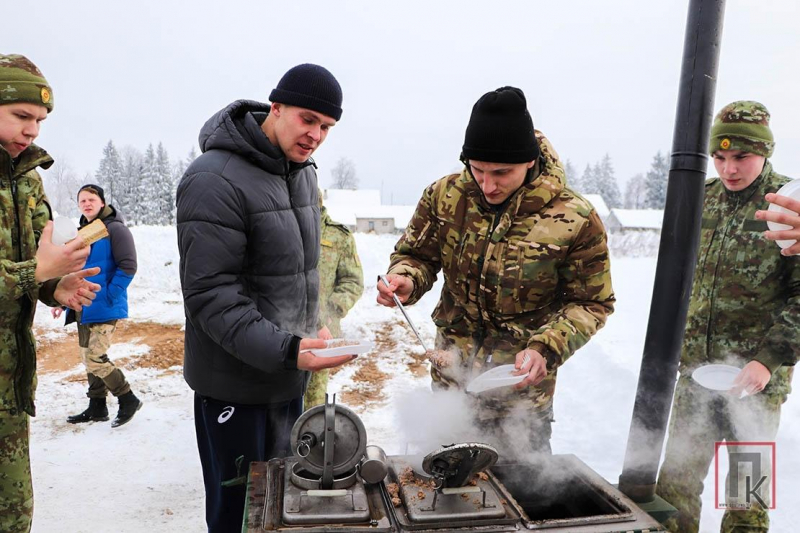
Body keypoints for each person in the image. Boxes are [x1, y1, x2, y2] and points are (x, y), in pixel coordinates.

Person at [376, 86, 615, 457]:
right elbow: (416, 254)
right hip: (451, 391)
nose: (488, 185)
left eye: (501, 172)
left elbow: (591, 302)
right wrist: (406, 278)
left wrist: (546, 347)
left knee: (521, 501)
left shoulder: (574, 218)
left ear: (529, 161)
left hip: (521, 402)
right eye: (478, 170)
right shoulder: (444, 197)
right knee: (446, 496)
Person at [176, 63, 357, 533]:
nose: (316, 135)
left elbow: (295, 272)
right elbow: (211, 295)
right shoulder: (214, 179)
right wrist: (287, 348)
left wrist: (308, 326)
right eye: (307, 119)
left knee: (281, 508)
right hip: (234, 385)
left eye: (326, 126)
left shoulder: (301, 173)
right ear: (275, 108)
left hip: (285, 378)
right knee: (238, 514)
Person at [656, 101, 799, 533]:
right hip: (697, 373)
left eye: (741, 157)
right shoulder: (703, 200)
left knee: (746, 495)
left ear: (764, 153)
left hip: (756, 380)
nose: (728, 169)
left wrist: (767, 360)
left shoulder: (787, 205)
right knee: (673, 486)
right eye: (719, 158)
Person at [0, 54, 101, 533]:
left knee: (14, 517)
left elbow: (38, 265)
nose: (34, 130)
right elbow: (27, 269)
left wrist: (56, 285)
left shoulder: (28, 180)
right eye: (22, 116)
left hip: (10, 387)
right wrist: (33, 274)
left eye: (39, 120)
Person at [52, 184, 141, 427]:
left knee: (94, 357)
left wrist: (110, 295)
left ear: (102, 202)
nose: (87, 204)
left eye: (91, 199)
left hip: (103, 304)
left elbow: (128, 266)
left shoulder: (115, 230)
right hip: (82, 304)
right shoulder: (83, 233)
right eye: (82, 200)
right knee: (86, 356)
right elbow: (74, 270)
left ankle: (127, 398)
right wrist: (62, 299)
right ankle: (97, 406)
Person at [304, 190, 364, 409]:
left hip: (322, 337)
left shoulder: (339, 236)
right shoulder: (284, 231)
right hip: (282, 330)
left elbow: (353, 281)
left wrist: (330, 313)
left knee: (312, 402)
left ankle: (306, 442)